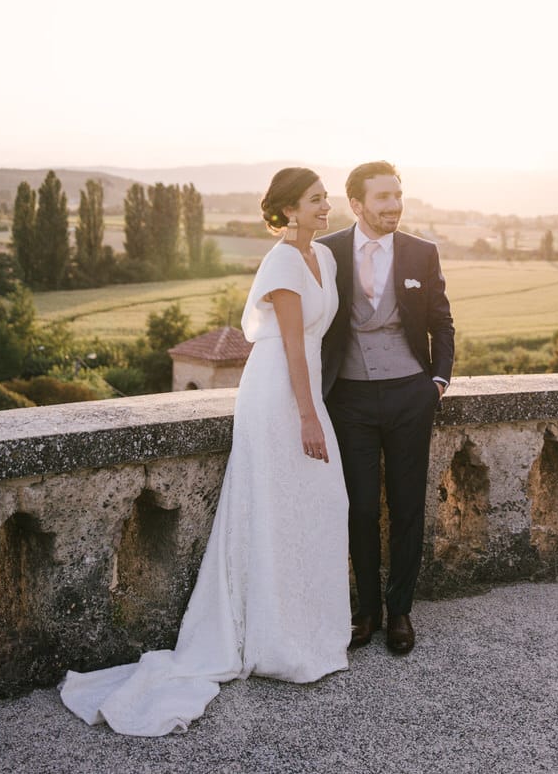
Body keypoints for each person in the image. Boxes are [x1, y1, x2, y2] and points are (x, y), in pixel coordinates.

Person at [60, 168, 350, 735]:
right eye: (317, 200)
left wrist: (316, 402)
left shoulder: (327, 259)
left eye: (326, 199)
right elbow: (291, 344)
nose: (326, 207)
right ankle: (269, 638)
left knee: (314, 506)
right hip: (277, 394)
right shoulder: (284, 262)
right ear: (289, 210)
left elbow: (317, 343)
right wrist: (310, 415)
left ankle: (305, 629)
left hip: (305, 384)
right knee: (273, 505)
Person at [318, 160, 454, 655]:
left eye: (398, 196)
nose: (394, 205)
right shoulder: (326, 252)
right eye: (383, 198)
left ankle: (400, 611)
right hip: (348, 398)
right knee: (358, 507)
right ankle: (365, 612)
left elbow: (442, 321)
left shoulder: (422, 252)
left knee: (407, 506)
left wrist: (437, 380)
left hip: (409, 396)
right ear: (356, 204)